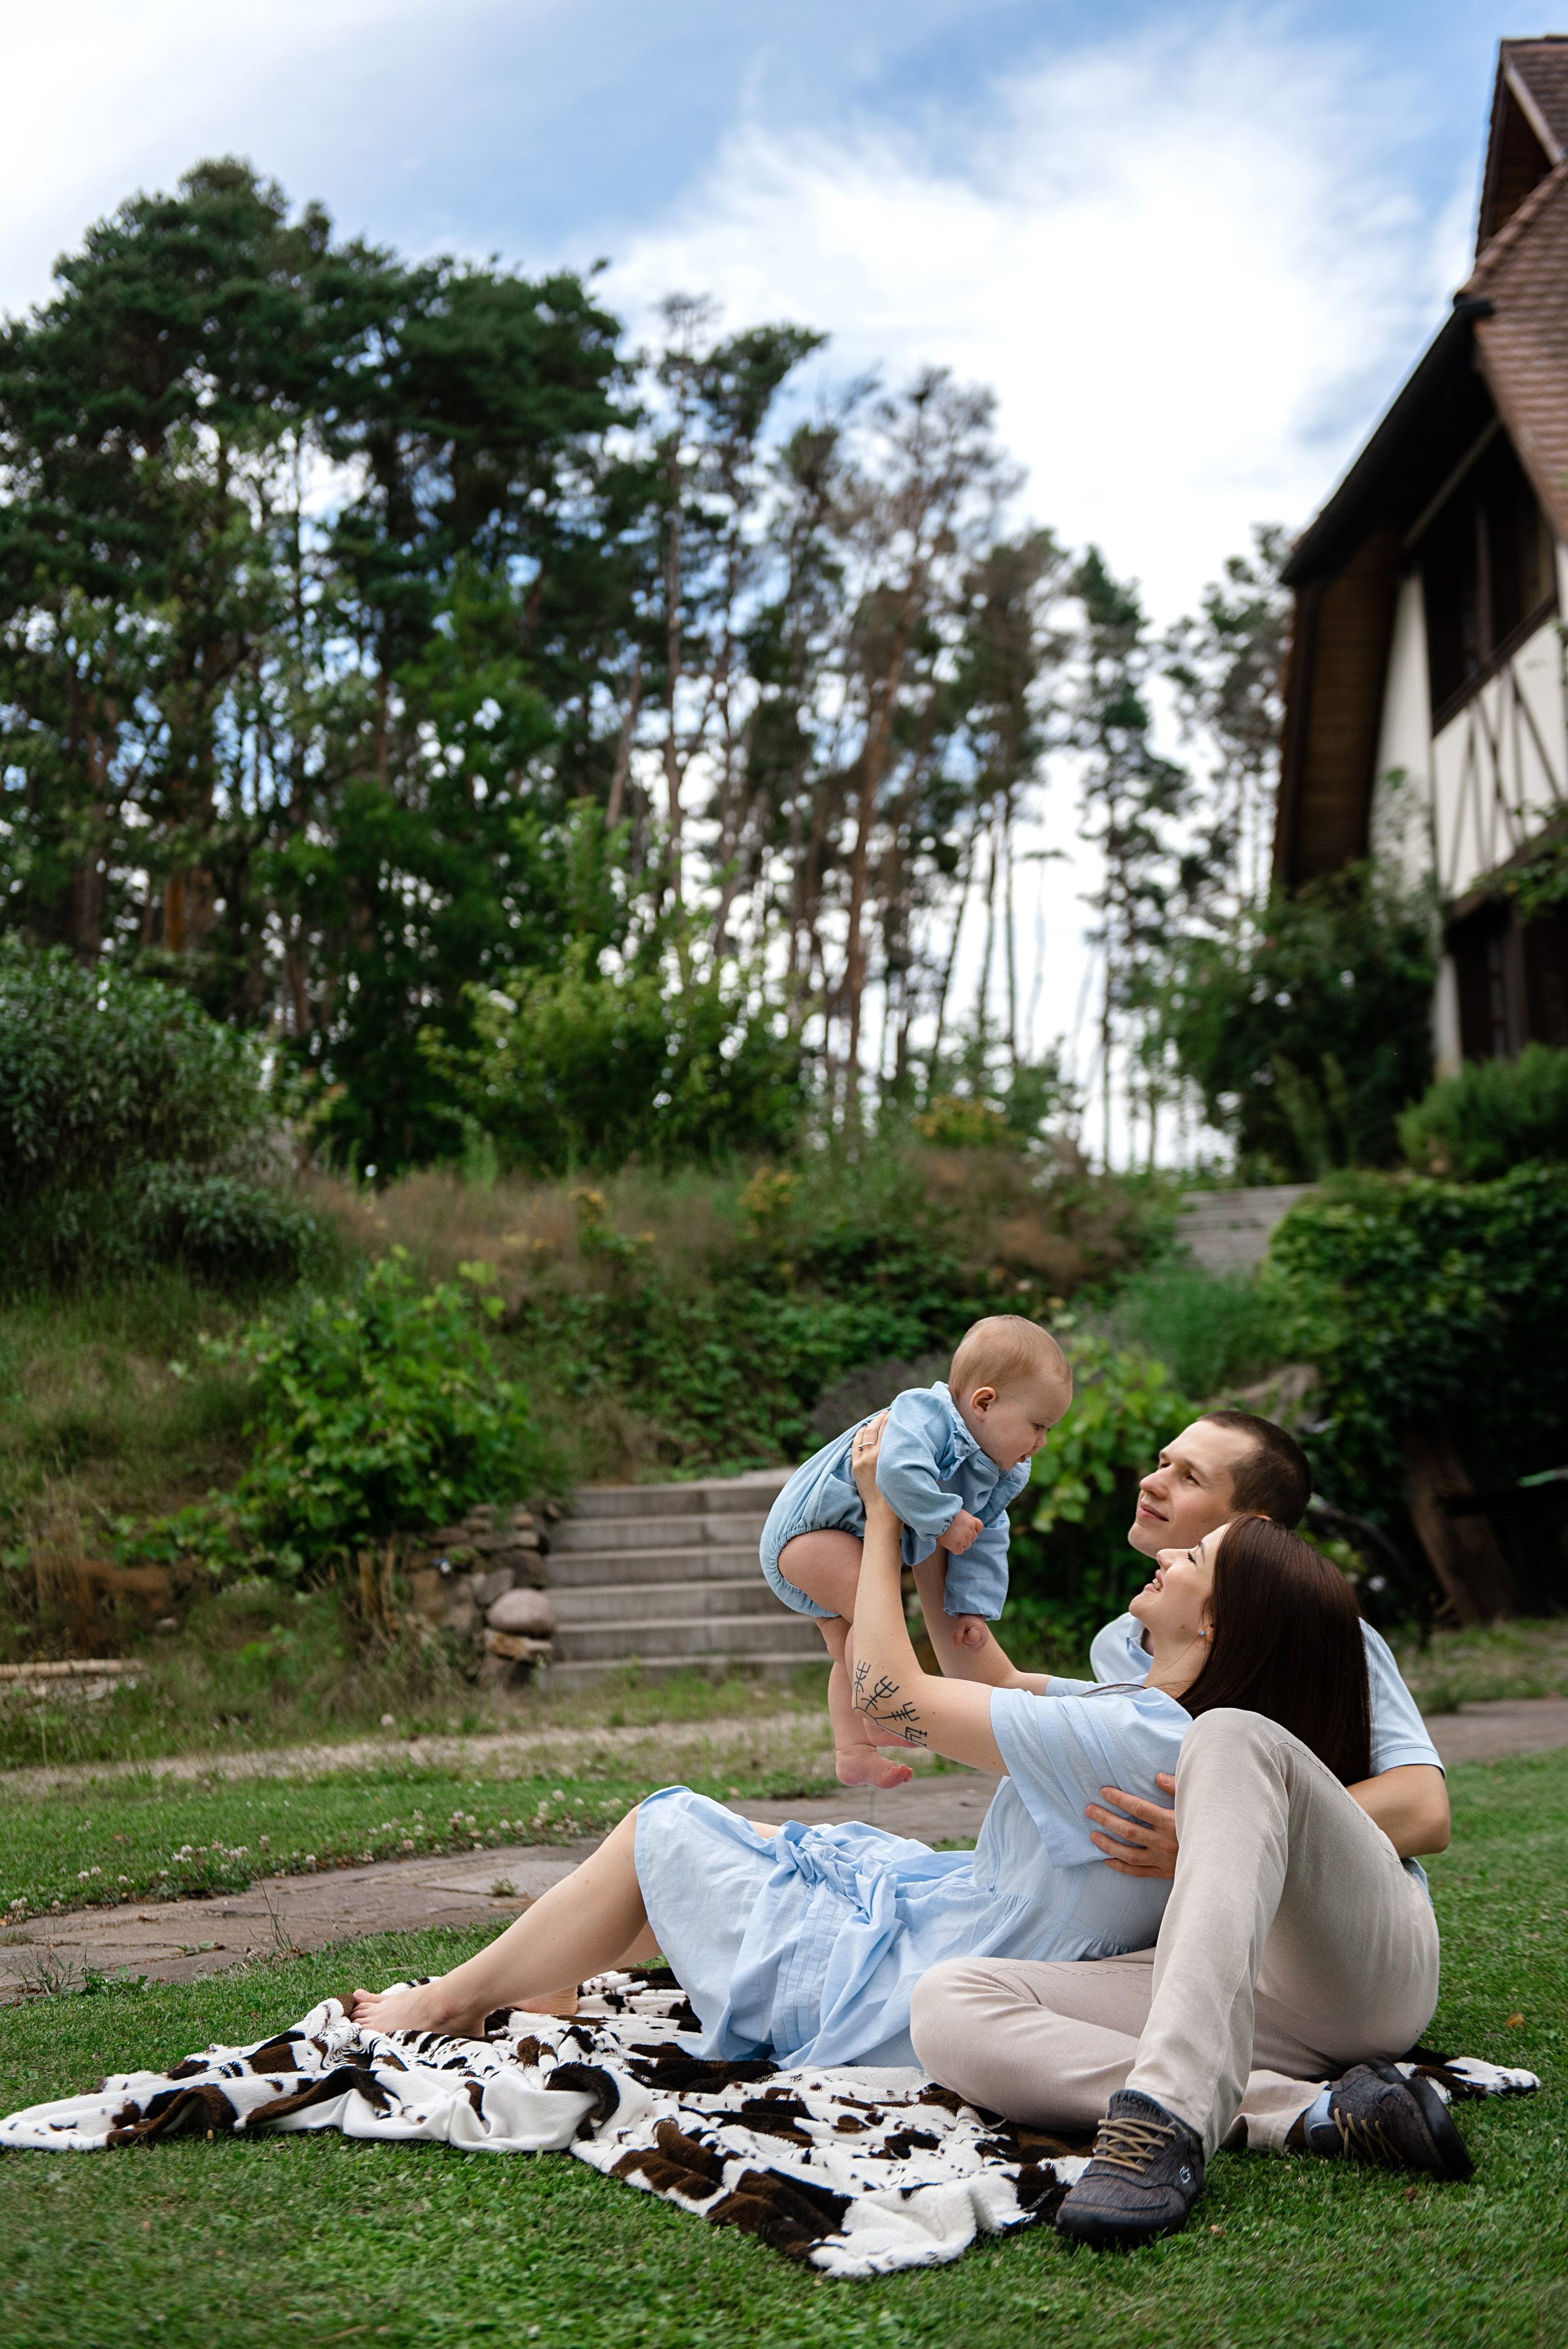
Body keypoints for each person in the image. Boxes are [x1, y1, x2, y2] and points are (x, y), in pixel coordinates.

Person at [347, 1434, 1430, 2128]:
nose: (1164, 1528)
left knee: (666, 1825)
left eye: (1196, 1521)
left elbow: (891, 1698)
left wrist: (870, 1521)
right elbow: (992, 1685)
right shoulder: (1151, 1695)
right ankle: (535, 1977)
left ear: (1233, 1603)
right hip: (984, 1916)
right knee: (784, 1846)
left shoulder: (1166, 1721)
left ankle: (443, 2003)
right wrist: (925, 1552)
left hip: (926, 1968)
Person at [908, 1413, 1466, 2249]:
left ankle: (1158, 2126)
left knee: (1229, 1735)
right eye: (1161, 1458)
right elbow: (1006, 1694)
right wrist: (925, 1551)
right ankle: (1308, 2112)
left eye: (1190, 1475)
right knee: (949, 2001)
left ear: (1258, 1529)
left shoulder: (1326, 1625)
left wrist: (1221, 1826)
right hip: (1235, 1990)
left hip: (1349, 1958)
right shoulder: (1125, 1641)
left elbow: (1425, 1807)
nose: (1154, 1480)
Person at [758, 1316, 1072, 1787]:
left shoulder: (1002, 1471)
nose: (1042, 1442)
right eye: (1037, 1425)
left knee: (851, 1647)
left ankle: (854, 1748)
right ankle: (882, 1711)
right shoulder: (926, 1415)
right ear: (984, 1402)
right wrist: (946, 1519)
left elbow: (986, 1534)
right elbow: (897, 1470)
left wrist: (971, 1605)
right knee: (877, 1626)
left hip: (846, 1543)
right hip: (811, 1534)